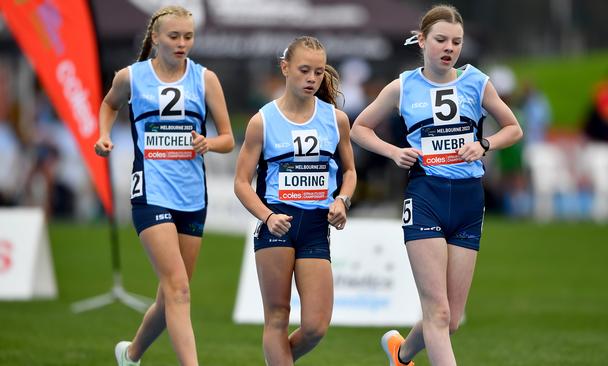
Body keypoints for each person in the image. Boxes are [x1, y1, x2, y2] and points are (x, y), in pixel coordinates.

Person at [350, 5, 522, 366]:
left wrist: (485, 144)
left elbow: (513, 128)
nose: (449, 48)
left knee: (452, 319)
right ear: (423, 40)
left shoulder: (477, 81)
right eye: (441, 40)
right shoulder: (403, 85)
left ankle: (401, 355)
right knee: (438, 314)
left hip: (469, 201)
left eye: (456, 42)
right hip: (426, 196)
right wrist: (393, 152)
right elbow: (359, 129)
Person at [93, 5, 234, 366]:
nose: (182, 43)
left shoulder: (205, 79)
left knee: (170, 294)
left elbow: (228, 138)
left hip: (191, 195)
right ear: (156, 37)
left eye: (188, 36)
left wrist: (208, 143)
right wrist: (104, 135)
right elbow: (109, 105)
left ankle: (130, 353)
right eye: (174, 36)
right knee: (179, 288)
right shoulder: (132, 77)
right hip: (150, 191)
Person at [234, 36, 356, 365]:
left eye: (318, 72)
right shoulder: (263, 121)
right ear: (285, 68)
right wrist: (266, 216)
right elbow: (241, 183)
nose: (312, 79)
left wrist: (342, 200)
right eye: (304, 70)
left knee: (316, 326)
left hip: (316, 226)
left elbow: (350, 172)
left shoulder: (336, 120)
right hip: (277, 224)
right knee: (277, 317)